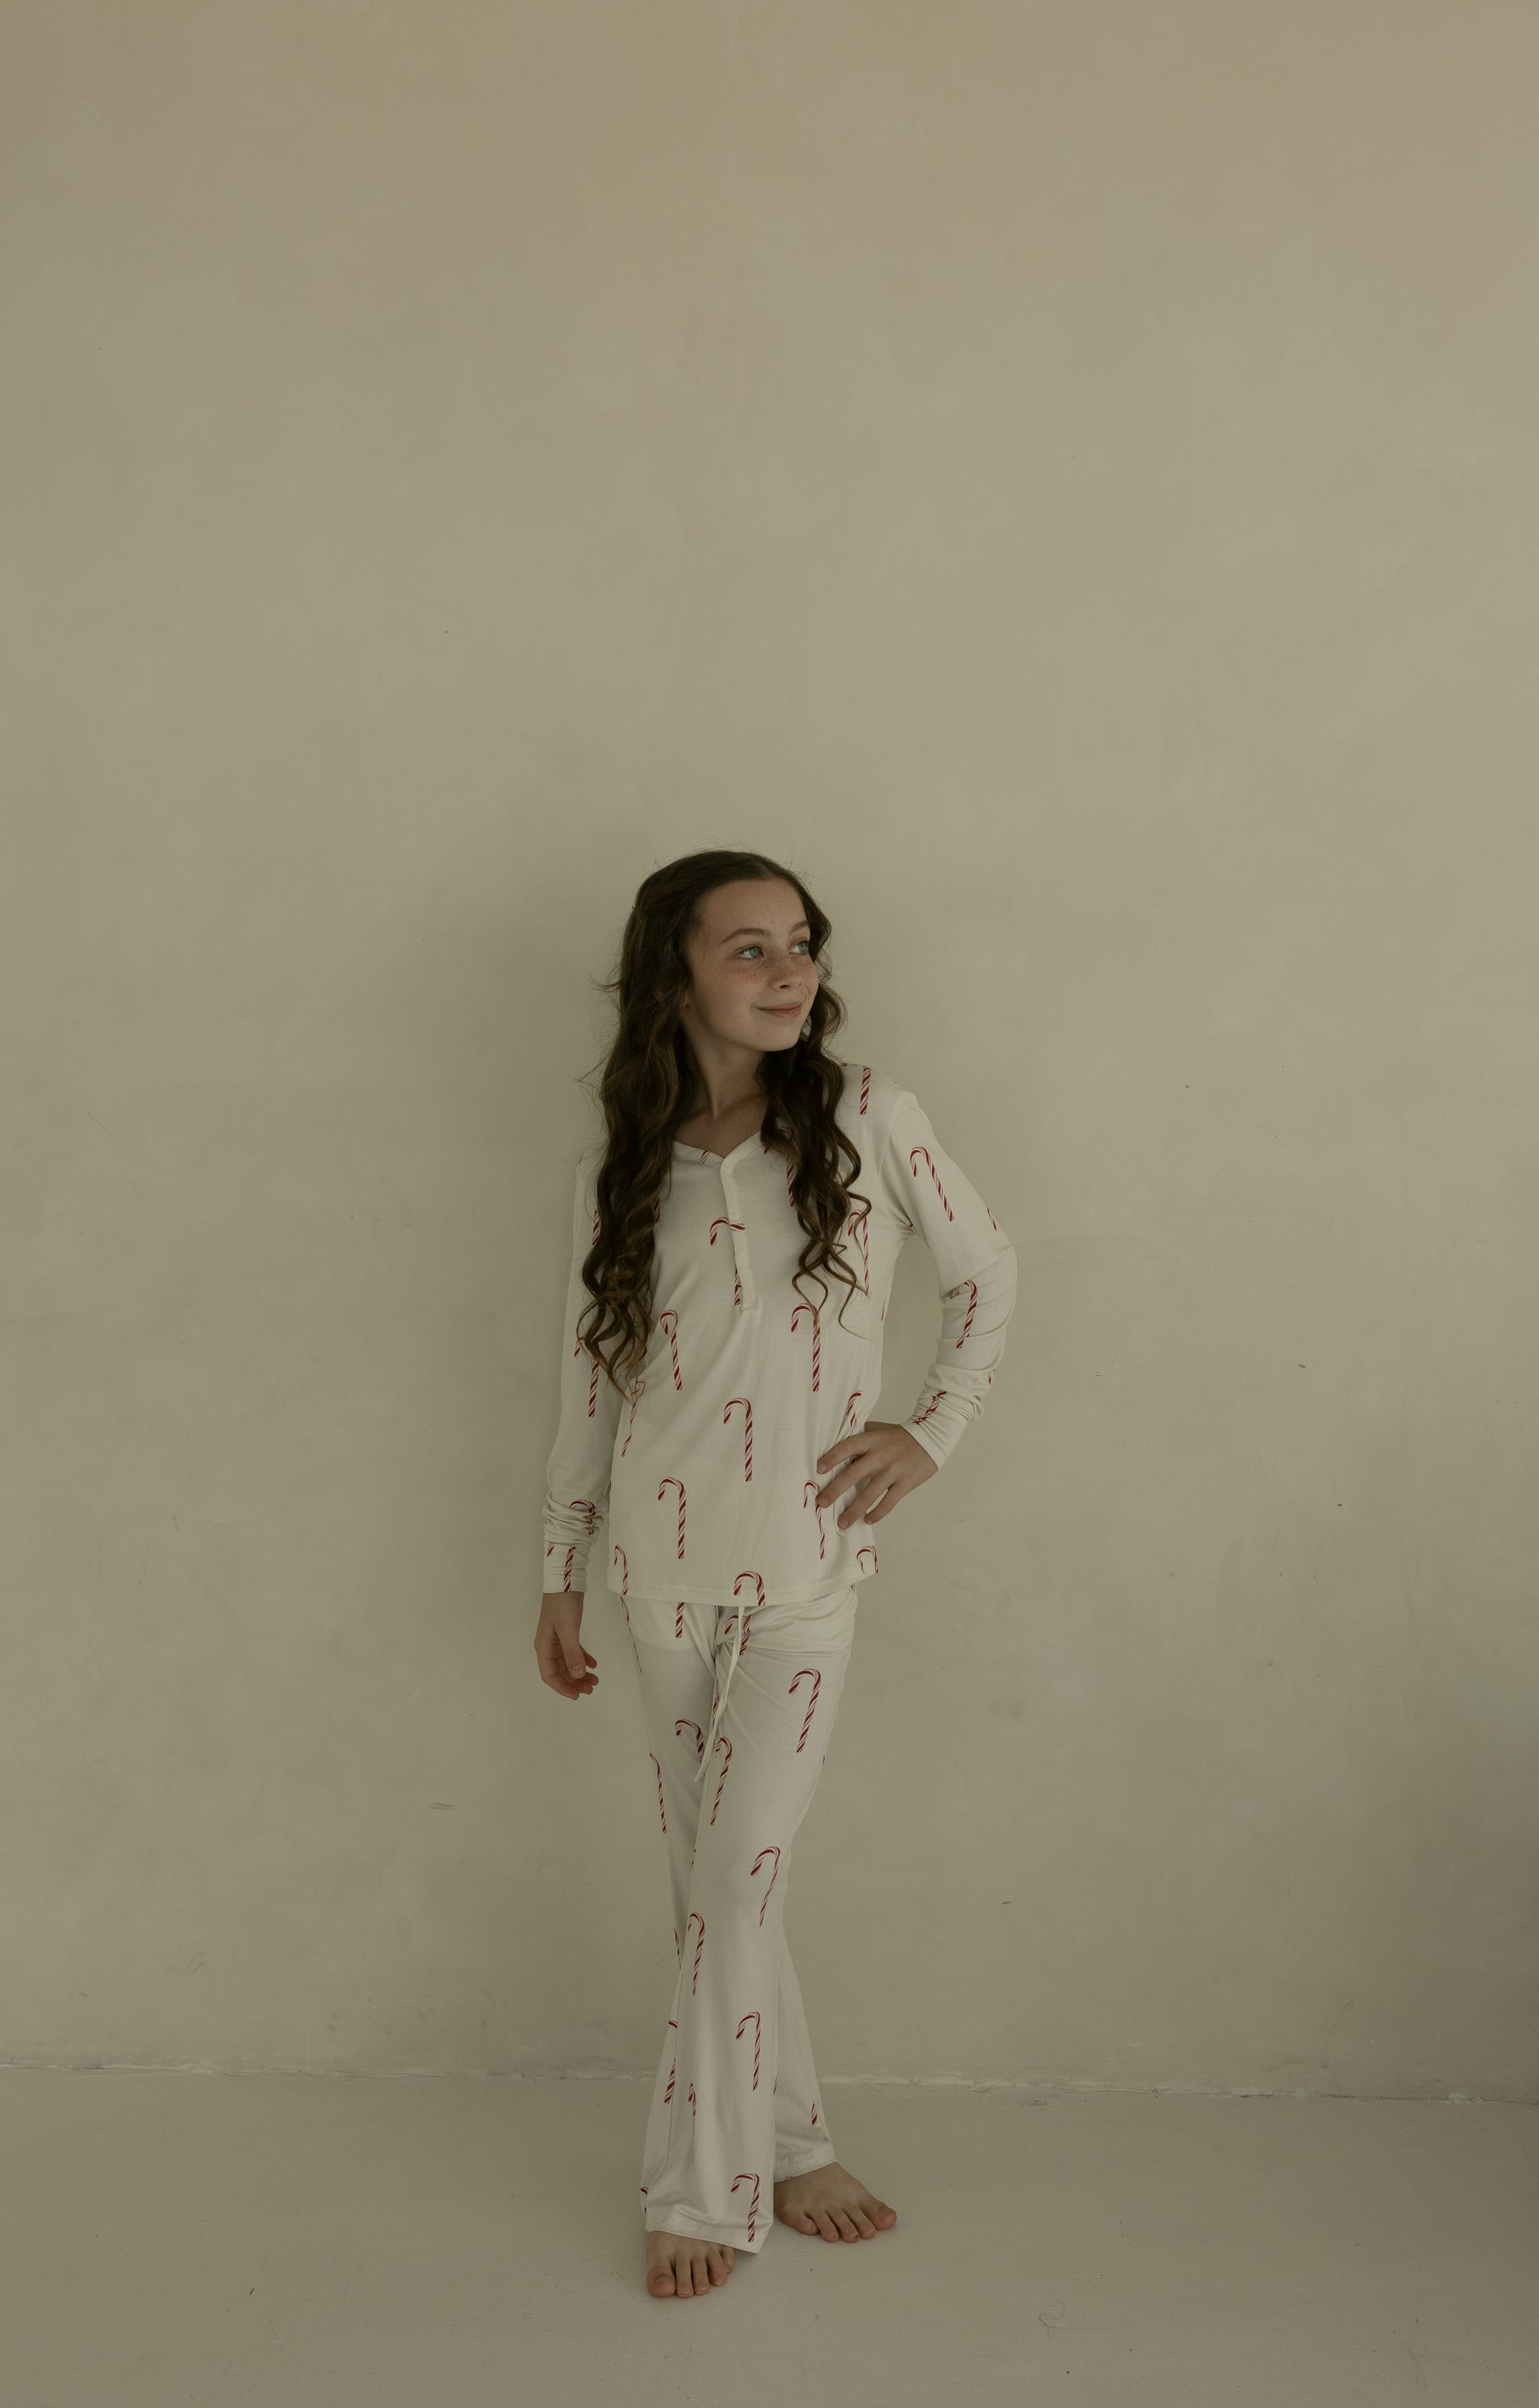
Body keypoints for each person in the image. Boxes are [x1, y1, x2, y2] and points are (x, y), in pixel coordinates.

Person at [534, 848, 1018, 2300]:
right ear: (674, 972)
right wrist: (560, 1567)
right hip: (656, 1569)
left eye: (797, 943)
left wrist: (927, 1433)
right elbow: (589, 1384)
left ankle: (700, 2187)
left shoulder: (866, 1118)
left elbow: (989, 1274)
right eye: (746, 948)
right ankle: (796, 2141)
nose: (786, 970)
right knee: (710, 1885)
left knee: (734, 1888)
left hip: (807, 1568)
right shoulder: (621, 1163)